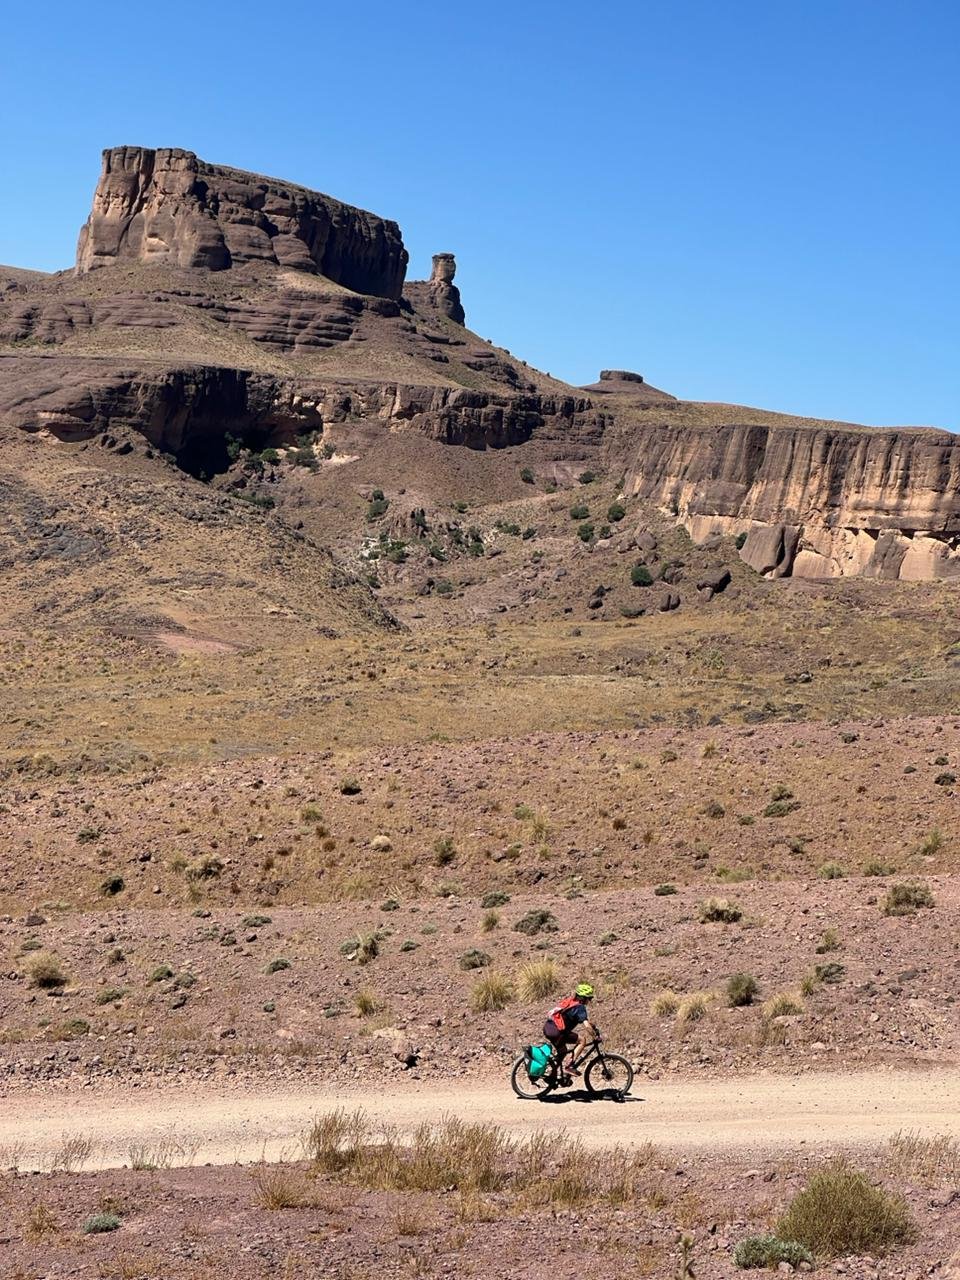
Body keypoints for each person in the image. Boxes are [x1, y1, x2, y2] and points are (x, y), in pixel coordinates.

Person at [543, 983, 597, 1077]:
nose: (589, 1000)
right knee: (582, 1040)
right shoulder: (580, 1007)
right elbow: (586, 1025)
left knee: (562, 1052)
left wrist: (592, 1025)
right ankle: (569, 1066)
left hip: (548, 1027)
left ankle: (553, 1075)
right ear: (583, 998)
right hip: (557, 1032)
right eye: (589, 998)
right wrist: (594, 1035)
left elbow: (581, 1019)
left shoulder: (571, 1001)